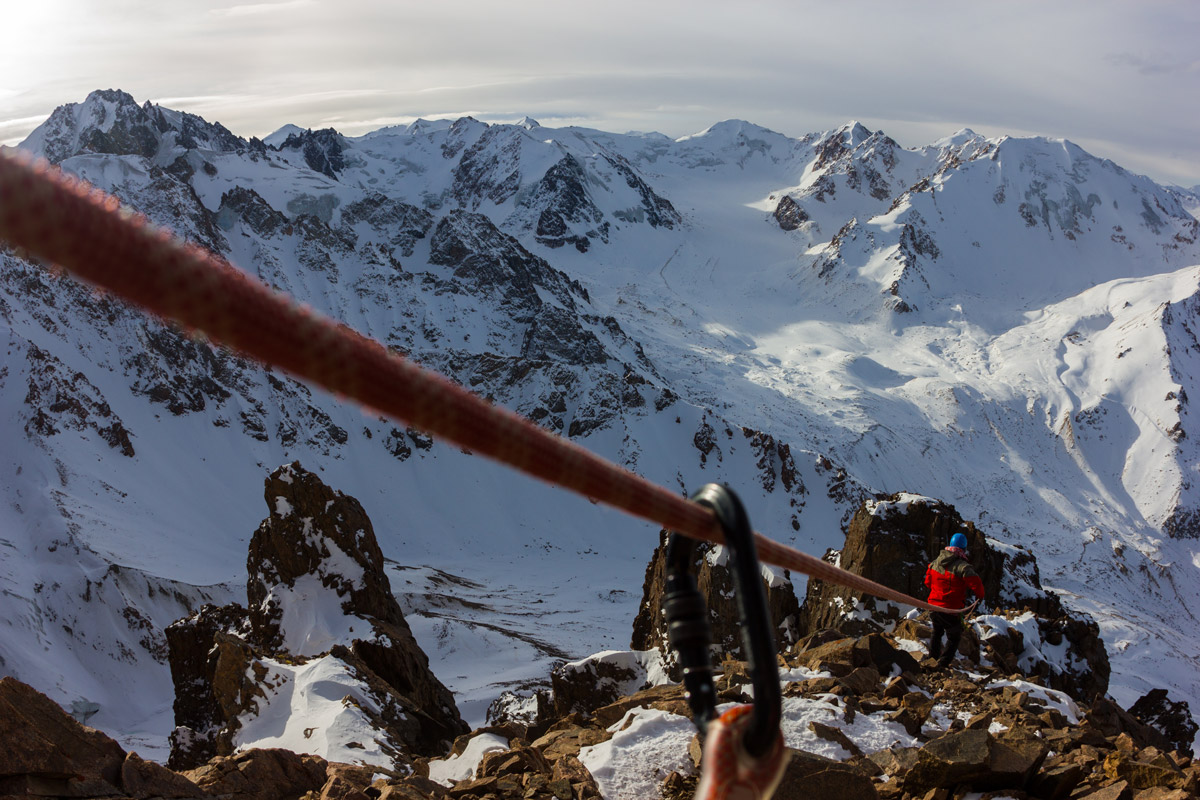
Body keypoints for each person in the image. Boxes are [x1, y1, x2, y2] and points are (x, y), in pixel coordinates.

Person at [924, 532, 985, 670]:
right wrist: (980, 596)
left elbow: (928, 582)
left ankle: (932, 659)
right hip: (950, 610)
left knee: (936, 632)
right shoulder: (962, 566)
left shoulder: (935, 563)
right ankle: (942, 664)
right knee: (954, 637)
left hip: (934, 606)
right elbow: (977, 584)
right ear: (963, 549)